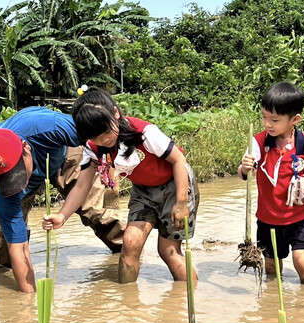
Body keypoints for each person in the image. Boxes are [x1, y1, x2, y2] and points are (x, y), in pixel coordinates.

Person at [42, 86, 200, 283]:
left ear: (115, 113)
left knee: (168, 251)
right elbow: (82, 187)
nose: (104, 140)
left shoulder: (144, 133)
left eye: (107, 132)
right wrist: (61, 216)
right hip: (143, 190)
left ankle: (190, 302)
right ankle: (127, 305)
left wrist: (181, 202)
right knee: (130, 241)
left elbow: (179, 161)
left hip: (175, 186)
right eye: (96, 137)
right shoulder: (93, 149)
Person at [0, 106, 125, 293]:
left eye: (19, 173)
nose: (19, 181)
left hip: (63, 156)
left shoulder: (52, 127)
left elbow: (105, 136)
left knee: (99, 213)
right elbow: (18, 246)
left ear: (26, 148)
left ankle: (127, 254)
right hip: (21, 168)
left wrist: (109, 173)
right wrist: (28, 302)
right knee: (6, 246)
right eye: (12, 179)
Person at [238, 82, 304, 284]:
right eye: (264, 117)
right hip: (268, 218)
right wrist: (245, 167)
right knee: (271, 266)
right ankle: (273, 303)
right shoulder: (258, 142)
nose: (267, 124)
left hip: (300, 216)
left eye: (274, 120)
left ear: (294, 119)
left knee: (301, 261)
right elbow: (243, 173)